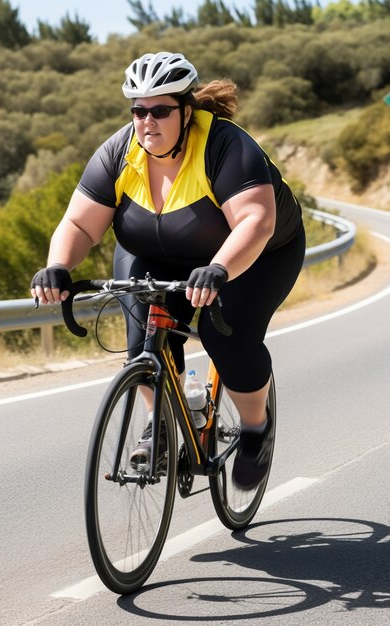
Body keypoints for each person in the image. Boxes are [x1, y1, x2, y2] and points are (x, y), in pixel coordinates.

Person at [30, 51, 306, 490]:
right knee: (144, 340)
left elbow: (256, 221)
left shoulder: (226, 147)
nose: (147, 121)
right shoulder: (120, 152)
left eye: (160, 110)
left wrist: (219, 268)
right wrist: (58, 266)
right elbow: (81, 223)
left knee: (225, 336)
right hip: (157, 253)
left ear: (186, 110)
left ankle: (256, 428)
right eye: (138, 111)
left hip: (252, 253)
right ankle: (156, 425)